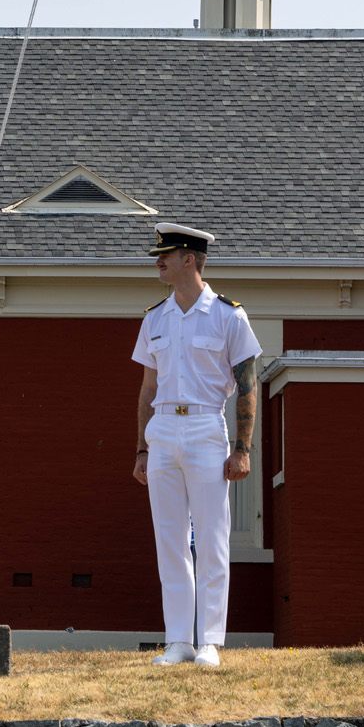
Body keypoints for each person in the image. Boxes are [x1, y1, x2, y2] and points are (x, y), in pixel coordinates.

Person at [131, 223, 261, 669]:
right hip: (163, 432)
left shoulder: (229, 316)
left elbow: (248, 387)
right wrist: (141, 450)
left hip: (207, 428)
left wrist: (242, 448)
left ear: (189, 258)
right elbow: (148, 389)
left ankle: (209, 641)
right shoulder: (154, 318)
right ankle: (177, 642)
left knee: (211, 538)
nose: (158, 261)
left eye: (165, 255)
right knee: (169, 540)